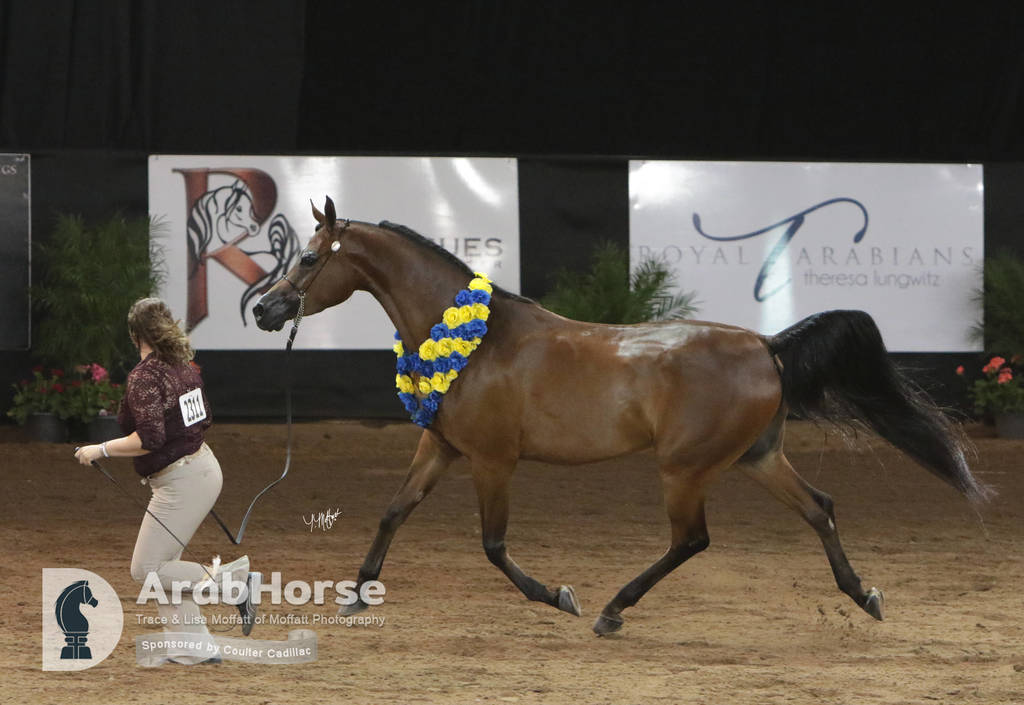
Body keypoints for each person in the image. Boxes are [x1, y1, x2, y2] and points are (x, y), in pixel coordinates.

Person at [74, 297, 258, 664]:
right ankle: (194, 649)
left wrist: (101, 449)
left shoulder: (145, 377)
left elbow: (149, 439)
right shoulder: (183, 365)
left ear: (134, 334)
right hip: (201, 468)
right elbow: (203, 418)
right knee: (168, 566)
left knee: (148, 569)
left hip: (182, 480)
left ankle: (232, 583)